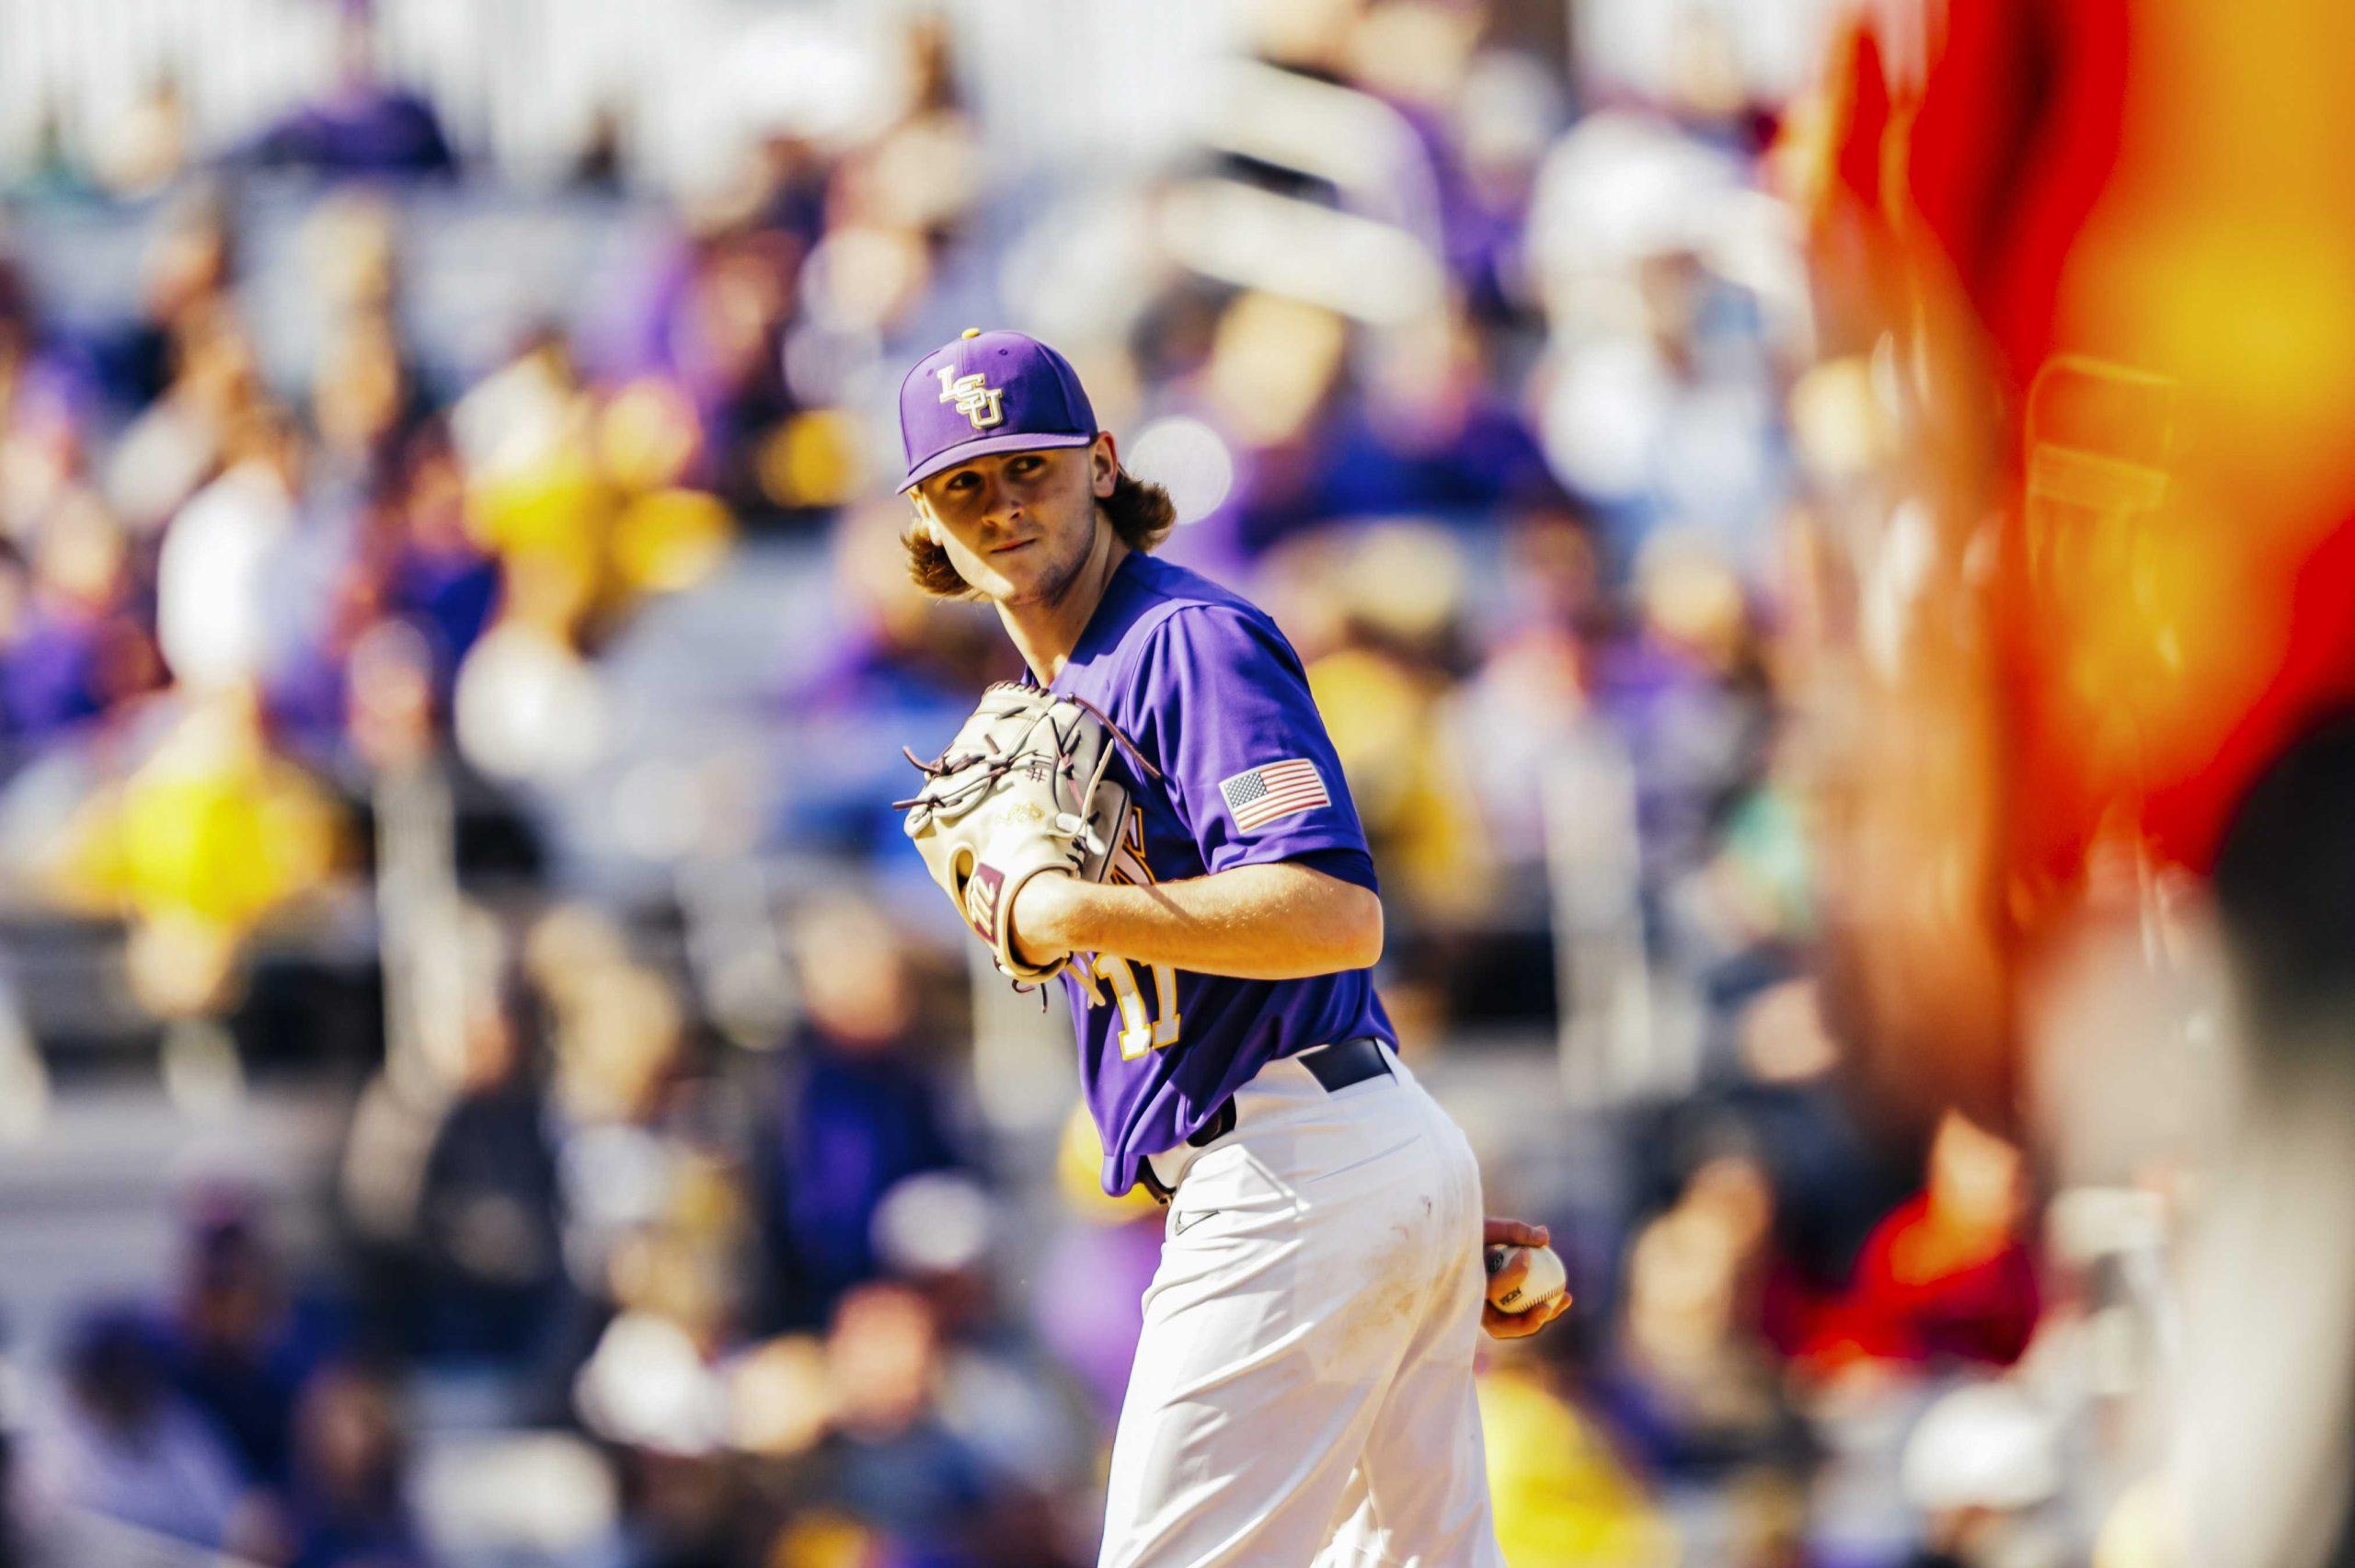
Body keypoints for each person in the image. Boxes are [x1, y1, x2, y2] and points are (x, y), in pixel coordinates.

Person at [892, 329, 1568, 1567]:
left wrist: (1068, 909)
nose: (1001, 506)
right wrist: (1404, 1218)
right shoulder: (1074, 686)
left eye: (1029, 468)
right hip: (1331, 1155)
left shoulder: (1180, 640)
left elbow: (1332, 911)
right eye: (964, 486)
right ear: (927, 526)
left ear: (1101, 465)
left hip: (1295, 1170)